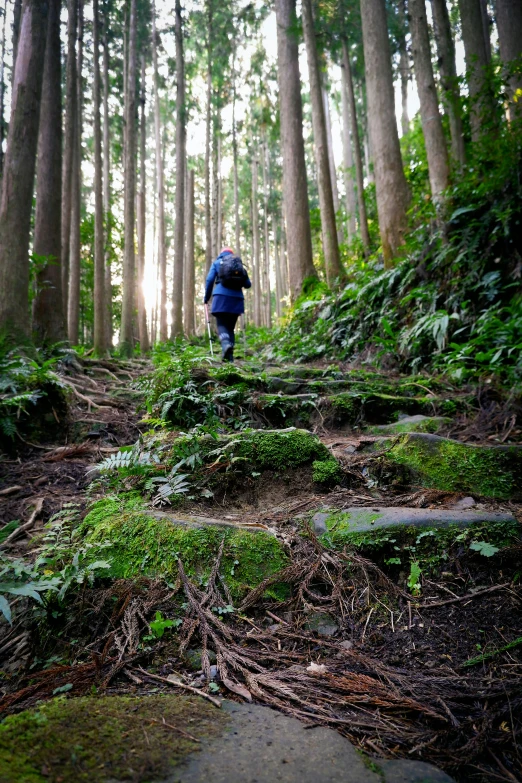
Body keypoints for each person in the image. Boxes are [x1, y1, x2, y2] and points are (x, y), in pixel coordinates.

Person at [204, 247, 251, 362]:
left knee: (221, 325)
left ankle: (225, 345)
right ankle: (229, 359)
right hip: (236, 299)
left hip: (221, 297)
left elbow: (210, 280)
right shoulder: (238, 265)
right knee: (230, 328)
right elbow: (248, 284)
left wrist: (206, 297)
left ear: (221, 254)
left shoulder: (217, 263)